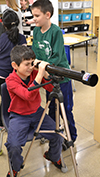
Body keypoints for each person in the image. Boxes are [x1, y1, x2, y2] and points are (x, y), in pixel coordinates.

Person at [5, 45, 63, 177]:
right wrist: (40, 74)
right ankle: (15, 167)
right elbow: (28, 95)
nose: (31, 67)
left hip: (37, 112)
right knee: (13, 146)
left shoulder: (34, 73)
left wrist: (45, 73)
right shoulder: (10, 81)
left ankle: (52, 156)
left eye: (32, 63)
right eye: (27, 64)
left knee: (58, 135)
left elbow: (50, 88)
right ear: (15, 65)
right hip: (19, 116)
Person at [31, 0, 77, 147]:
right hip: (47, 77)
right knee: (51, 107)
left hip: (61, 78)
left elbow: (56, 56)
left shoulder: (55, 31)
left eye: (37, 16)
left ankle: (72, 136)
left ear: (47, 15)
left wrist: (43, 66)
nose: (34, 19)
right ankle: (52, 133)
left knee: (66, 109)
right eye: (33, 15)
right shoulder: (36, 30)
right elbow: (35, 51)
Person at [0, 9, 26, 128]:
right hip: (13, 78)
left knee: (3, 101)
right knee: (12, 101)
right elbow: (25, 60)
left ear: (3, 24)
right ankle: (15, 121)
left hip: (0, 75)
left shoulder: (1, 38)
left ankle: (1, 123)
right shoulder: (22, 39)